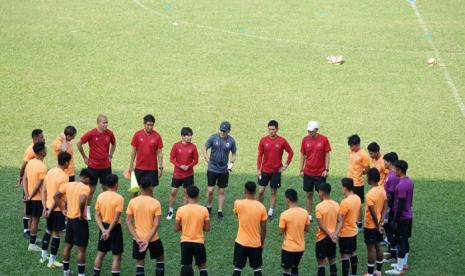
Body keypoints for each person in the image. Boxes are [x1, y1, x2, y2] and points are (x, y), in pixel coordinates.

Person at [54, 169, 93, 276]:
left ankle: (66, 271)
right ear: (85, 177)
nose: (89, 182)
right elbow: (82, 200)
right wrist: (81, 213)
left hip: (70, 221)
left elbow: (56, 196)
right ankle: (81, 274)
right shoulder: (85, 188)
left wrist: (62, 209)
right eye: (89, 180)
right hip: (80, 222)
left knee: (67, 246)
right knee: (81, 249)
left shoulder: (68, 185)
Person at [77, 114, 116, 220]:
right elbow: (79, 143)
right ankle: (87, 210)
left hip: (106, 166)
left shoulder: (109, 133)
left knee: (106, 189)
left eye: (107, 122)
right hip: (93, 166)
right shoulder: (91, 133)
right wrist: (85, 157)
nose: (106, 124)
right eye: (104, 122)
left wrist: (111, 154)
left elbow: (114, 143)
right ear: (98, 123)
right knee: (91, 189)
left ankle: (105, 210)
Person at [126, 178, 165, 276]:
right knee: (160, 258)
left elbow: (128, 222)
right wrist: (147, 240)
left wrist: (137, 238)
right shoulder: (156, 203)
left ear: (139, 187)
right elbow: (156, 224)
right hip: (153, 238)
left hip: (138, 239)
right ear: (151, 187)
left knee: (140, 262)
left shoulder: (133, 202)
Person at [257, 120, 294, 220]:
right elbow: (260, 155)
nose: (271, 131)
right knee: (260, 191)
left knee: (273, 192)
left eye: (273, 129)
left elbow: (291, 152)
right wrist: (258, 169)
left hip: (276, 172)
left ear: (277, 129)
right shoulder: (263, 140)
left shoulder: (282, 141)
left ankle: (270, 211)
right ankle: (259, 209)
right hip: (264, 170)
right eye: (269, 129)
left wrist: (285, 165)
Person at [40, 152, 72, 268]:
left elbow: (43, 190)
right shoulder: (64, 177)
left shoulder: (50, 171)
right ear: (66, 162)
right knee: (56, 234)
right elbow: (57, 197)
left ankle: (43, 256)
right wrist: (51, 210)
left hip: (48, 206)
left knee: (48, 230)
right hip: (57, 209)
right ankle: (52, 261)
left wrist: (45, 208)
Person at [202, 121, 237, 220]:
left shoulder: (231, 141)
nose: (222, 132)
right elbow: (204, 147)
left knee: (221, 191)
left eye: (225, 131)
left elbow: (234, 153)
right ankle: (209, 206)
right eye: (221, 130)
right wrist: (207, 159)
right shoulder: (213, 138)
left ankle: (220, 210)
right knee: (210, 190)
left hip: (223, 170)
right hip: (212, 169)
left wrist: (232, 162)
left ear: (229, 131)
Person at [299, 121, 331, 222]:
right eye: (308, 131)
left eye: (311, 131)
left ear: (317, 130)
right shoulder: (305, 140)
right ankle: (308, 215)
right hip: (308, 172)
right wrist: (301, 169)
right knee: (309, 194)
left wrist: (326, 169)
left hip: (320, 173)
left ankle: (324, 214)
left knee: (322, 195)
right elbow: (302, 155)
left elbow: (327, 154)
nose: (309, 133)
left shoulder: (324, 139)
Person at [232, 181, 267, 276]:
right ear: (255, 191)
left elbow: (237, 214)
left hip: (240, 242)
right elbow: (264, 228)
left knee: (237, 269)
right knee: (257, 270)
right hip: (255, 243)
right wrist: (262, 242)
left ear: (245, 191)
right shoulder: (261, 207)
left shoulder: (238, 203)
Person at [93, 174, 125, 276]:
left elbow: (97, 215)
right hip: (114, 229)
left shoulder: (100, 196)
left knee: (101, 253)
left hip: (103, 227)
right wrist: (109, 231)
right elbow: (116, 219)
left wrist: (103, 230)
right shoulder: (119, 198)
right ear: (116, 184)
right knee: (116, 256)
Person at [174, 186, 210, 276]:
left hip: (185, 242)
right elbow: (207, 228)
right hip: (199, 242)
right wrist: (198, 226)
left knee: (186, 267)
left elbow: (176, 228)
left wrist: (185, 226)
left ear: (186, 195)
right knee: (202, 267)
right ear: (198, 195)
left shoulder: (181, 210)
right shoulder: (204, 210)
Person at [386, 160, 414, 275]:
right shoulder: (409, 181)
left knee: (401, 242)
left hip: (402, 218)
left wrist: (395, 220)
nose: (394, 171)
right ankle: (403, 264)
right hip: (408, 216)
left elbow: (401, 203)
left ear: (400, 170)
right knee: (405, 240)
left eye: (395, 169)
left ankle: (399, 269)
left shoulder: (402, 185)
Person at [167, 127, 199, 220]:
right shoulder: (176, 146)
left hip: (188, 174)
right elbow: (172, 159)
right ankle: (170, 210)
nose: (190, 137)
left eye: (190, 135)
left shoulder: (193, 147)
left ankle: (183, 212)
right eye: (188, 135)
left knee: (186, 193)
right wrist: (180, 166)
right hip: (177, 174)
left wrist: (188, 166)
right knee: (173, 191)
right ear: (182, 136)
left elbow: (196, 160)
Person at [18, 128, 45, 238]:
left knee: (29, 207)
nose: (44, 138)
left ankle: (30, 227)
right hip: (30, 183)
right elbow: (24, 165)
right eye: (42, 137)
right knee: (28, 207)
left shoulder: (36, 151)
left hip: (30, 180)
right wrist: (20, 176)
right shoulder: (31, 151)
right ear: (36, 138)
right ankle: (26, 230)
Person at [129, 114, 163, 197]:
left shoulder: (157, 136)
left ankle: (149, 209)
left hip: (152, 169)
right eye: (148, 125)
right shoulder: (137, 135)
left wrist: (160, 167)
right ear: (144, 124)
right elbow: (133, 151)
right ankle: (133, 209)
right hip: (139, 168)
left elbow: (159, 153)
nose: (150, 127)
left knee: (150, 191)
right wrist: (131, 165)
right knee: (134, 190)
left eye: (152, 125)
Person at [23, 141, 48, 252]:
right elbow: (38, 185)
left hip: (29, 196)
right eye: (45, 149)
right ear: (42, 152)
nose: (46, 150)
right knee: (35, 221)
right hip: (37, 198)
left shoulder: (30, 163)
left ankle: (31, 238)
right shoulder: (43, 167)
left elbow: (24, 178)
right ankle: (32, 245)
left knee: (31, 219)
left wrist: (27, 194)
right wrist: (31, 195)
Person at [278, 188, 310, 276]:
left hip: (288, 248)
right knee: (295, 268)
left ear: (287, 199)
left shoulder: (285, 214)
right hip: (300, 248)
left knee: (287, 271)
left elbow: (280, 232)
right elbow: (307, 229)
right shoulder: (305, 212)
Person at [334, 178, 361, 276]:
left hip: (345, 233)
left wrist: (335, 235)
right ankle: (354, 274)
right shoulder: (357, 198)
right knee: (353, 253)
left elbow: (340, 221)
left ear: (345, 188)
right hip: (354, 231)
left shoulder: (345, 202)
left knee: (344, 256)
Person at [363, 168, 387, 276]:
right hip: (379, 223)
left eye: (367, 176)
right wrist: (381, 221)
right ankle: (378, 271)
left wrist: (377, 226)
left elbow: (372, 214)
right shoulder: (382, 189)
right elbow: (386, 206)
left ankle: (370, 273)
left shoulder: (369, 195)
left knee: (371, 248)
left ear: (371, 179)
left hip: (371, 225)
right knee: (378, 246)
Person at [314, 182, 339, 276]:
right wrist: (334, 234)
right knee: (332, 261)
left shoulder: (319, 207)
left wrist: (329, 234)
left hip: (322, 238)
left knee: (321, 264)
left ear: (321, 192)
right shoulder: (336, 204)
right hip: (333, 237)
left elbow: (321, 225)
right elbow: (339, 221)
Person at [347, 134, 369, 230]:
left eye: (352, 146)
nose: (351, 148)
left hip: (358, 183)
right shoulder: (351, 151)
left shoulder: (363, 155)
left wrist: (362, 173)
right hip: (350, 181)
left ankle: (359, 223)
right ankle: (354, 219)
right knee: (351, 201)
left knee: (358, 203)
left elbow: (367, 169)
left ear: (357, 144)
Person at [382, 152, 400, 263]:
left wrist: (387, 207)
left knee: (388, 228)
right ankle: (391, 250)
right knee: (388, 228)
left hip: (391, 207)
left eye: (385, 161)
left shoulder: (392, 176)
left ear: (389, 162)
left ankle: (393, 255)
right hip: (391, 206)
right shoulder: (392, 174)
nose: (383, 163)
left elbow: (391, 193)